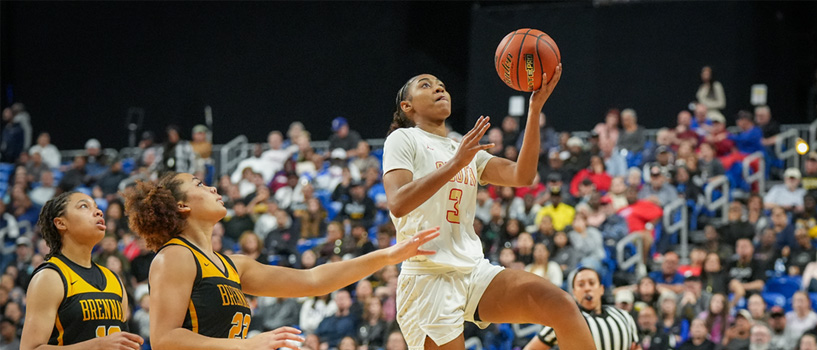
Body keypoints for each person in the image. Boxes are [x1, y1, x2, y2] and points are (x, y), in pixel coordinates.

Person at [382, 67, 594, 350]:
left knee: (561, 305)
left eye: (441, 84)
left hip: (472, 270)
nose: (439, 88)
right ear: (407, 107)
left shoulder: (462, 149)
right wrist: (456, 164)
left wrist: (535, 108)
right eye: (426, 85)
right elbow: (398, 203)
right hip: (428, 278)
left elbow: (523, 175)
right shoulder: (404, 139)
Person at [123, 172, 440, 349]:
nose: (213, 187)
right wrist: (247, 345)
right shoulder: (174, 256)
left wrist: (388, 255)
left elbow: (313, 280)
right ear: (181, 206)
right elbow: (164, 339)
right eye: (199, 185)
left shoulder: (234, 264)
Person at [20, 192, 145, 349]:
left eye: (97, 207)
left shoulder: (114, 279)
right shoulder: (50, 277)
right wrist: (97, 345)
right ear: (61, 223)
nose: (99, 212)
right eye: (84, 206)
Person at [524, 267, 639, 350]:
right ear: (574, 293)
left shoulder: (624, 316)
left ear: (601, 289)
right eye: (581, 284)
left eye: (591, 283)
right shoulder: (564, 320)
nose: (587, 288)